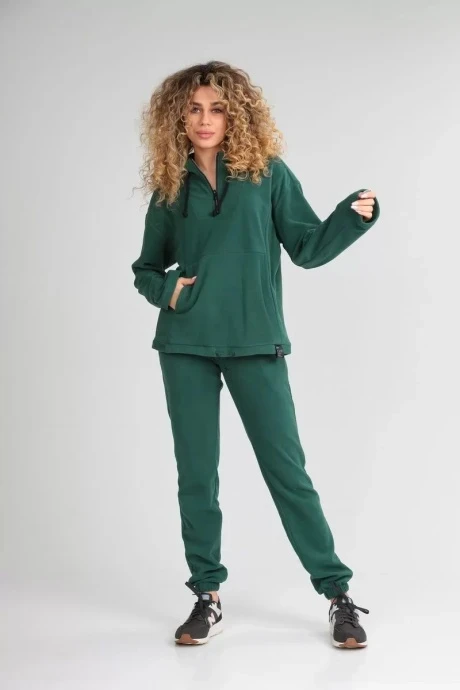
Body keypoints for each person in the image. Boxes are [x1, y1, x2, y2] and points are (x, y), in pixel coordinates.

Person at [131, 60, 380, 648]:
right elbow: (145, 268)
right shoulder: (171, 185)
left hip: (255, 339)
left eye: (217, 108)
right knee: (196, 475)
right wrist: (169, 291)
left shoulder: (267, 174)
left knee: (287, 471)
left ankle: (337, 593)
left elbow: (307, 247)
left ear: (236, 115)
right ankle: (206, 595)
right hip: (185, 344)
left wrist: (349, 219)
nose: (205, 119)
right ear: (178, 118)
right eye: (194, 109)